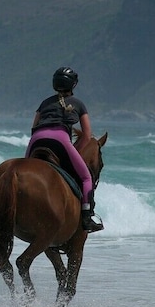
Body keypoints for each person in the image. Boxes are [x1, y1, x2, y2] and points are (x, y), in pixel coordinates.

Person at [27, 66, 104, 233]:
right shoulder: (79, 104)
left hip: (36, 139)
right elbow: (86, 135)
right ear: (73, 85)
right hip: (60, 139)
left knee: (26, 167)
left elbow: (34, 127)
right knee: (85, 178)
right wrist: (75, 150)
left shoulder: (45, 102)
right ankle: (86, 216)